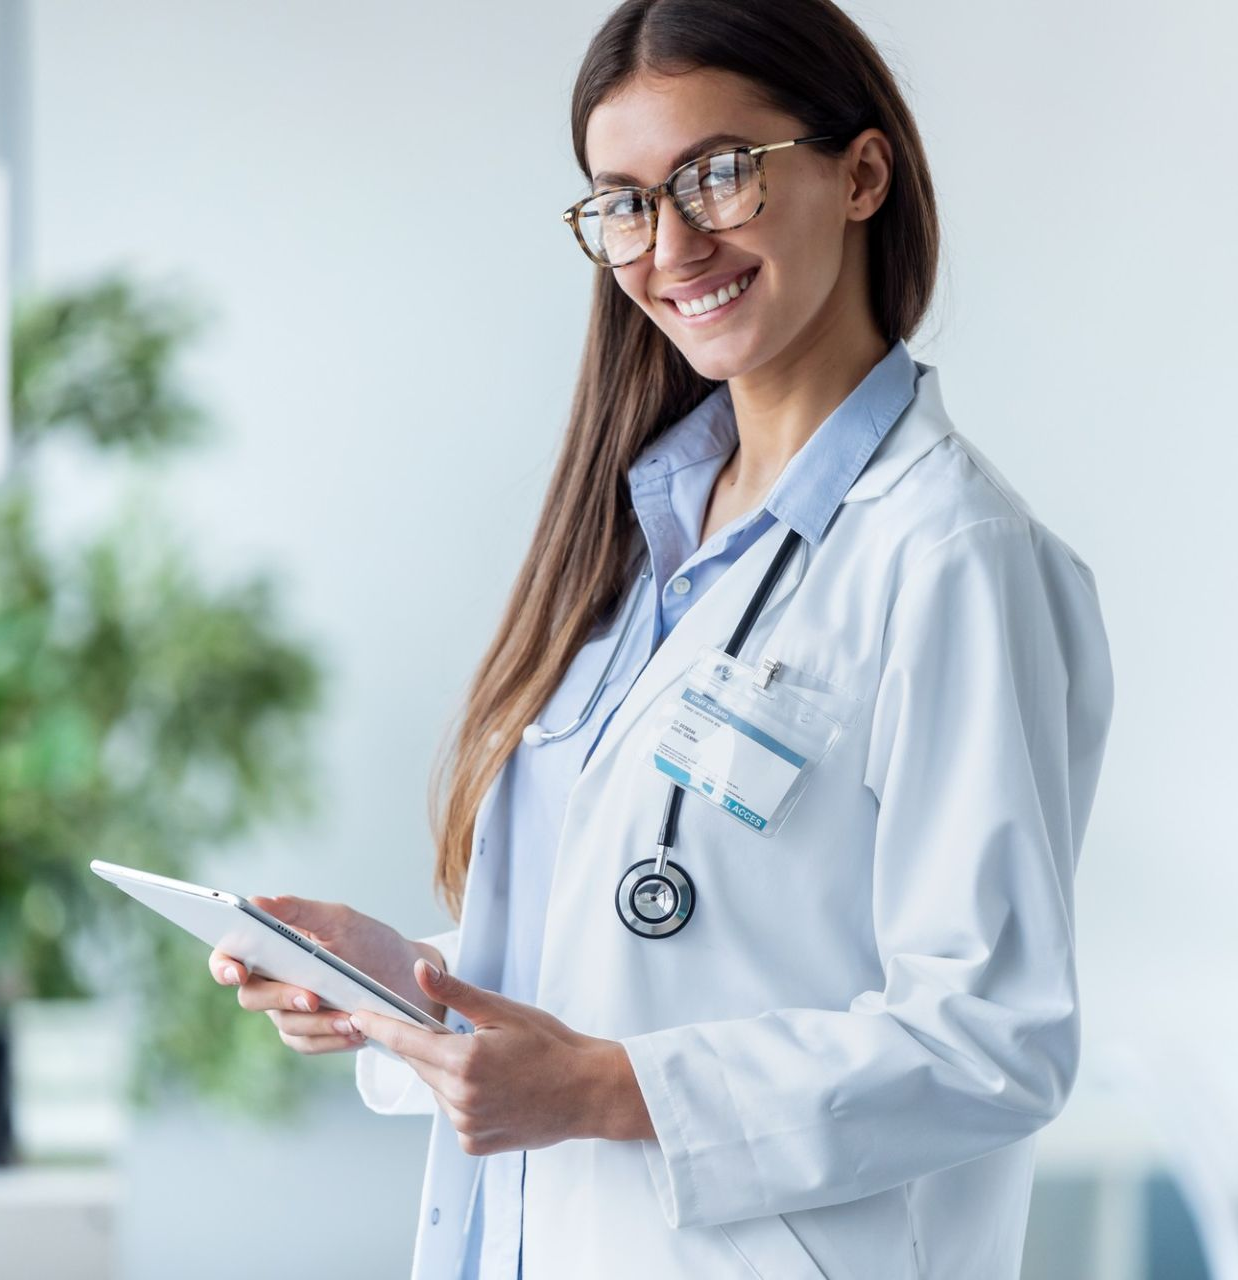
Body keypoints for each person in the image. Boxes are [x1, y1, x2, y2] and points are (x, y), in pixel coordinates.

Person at [209, 1, 1115, 1276]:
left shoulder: (950, 556)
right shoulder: (644, 535)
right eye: (624, 200)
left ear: (860, 172)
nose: (670, 243)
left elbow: (990, 1039)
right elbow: (652, 955)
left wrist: (603, 1090)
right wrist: (406, 984)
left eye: (719, 174)